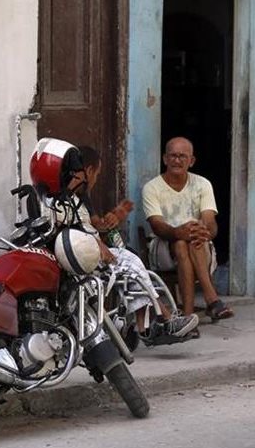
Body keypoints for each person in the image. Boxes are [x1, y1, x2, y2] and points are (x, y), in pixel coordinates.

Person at [77, 145, 198, 342]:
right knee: (131, 265)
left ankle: (145, 326)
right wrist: (99, 243)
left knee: (131, 261)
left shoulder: (81, 196)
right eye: (96, 174)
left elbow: (95, 225)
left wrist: (115, 216)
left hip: (91, 248)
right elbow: (80, 230)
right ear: (89, 171)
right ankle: (165, 320)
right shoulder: (67, 198)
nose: (96, 179)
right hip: (83, 253)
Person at [142, 137, 233, 321]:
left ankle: (188, 316)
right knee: (180, 242)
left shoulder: (202, 184)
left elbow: (210, 222)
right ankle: (212, 299)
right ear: (165, 159)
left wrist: (201, 231)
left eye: (182, 156)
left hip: (198, 247)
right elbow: (157, 225)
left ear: (191, 161)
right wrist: (177, 232)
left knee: (188, 242)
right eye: (173, 156)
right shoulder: (152, 188)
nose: (177, 160)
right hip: (163, 249)